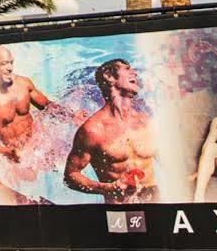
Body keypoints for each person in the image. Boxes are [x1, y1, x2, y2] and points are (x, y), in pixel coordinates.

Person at [63, 59, 158, 203]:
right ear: (109, 77)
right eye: (127, 69)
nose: (134, 73)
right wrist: (107, 188)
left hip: (157, 204)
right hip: (120, 212)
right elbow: (71, 176)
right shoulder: (93, 130)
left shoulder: (145, 122)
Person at [0, 46, 54, 164]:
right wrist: (5, 151)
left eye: (11, 63)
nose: (10, 68)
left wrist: (72, 115)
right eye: (4, 64)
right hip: (18, 157)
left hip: (40, 146)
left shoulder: (23, 83)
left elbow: (48, 106)